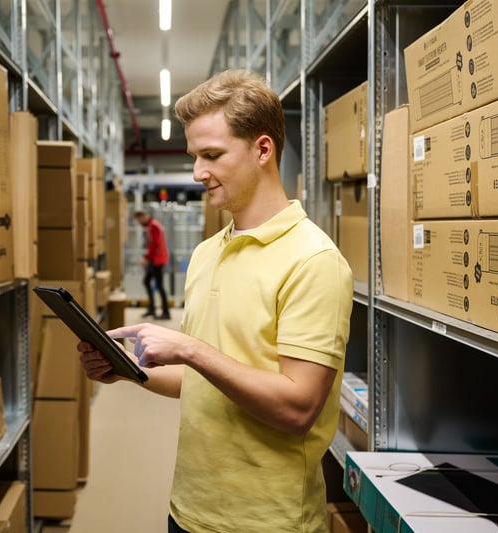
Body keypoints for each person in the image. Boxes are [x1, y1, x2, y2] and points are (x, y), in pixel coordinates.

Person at [78, 69, 353, 533]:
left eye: (211, 155)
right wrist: (128, 370)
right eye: (194, 156)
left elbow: (298, 409)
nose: (197, 172)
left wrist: (190, 347)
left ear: (263, 150)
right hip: (188, 511)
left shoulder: (314, 260)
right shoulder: (208, 252)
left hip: (269, 522)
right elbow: (200, 379)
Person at [134, 209, 171, 320]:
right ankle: (152, 308)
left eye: (138, 220)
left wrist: (146, 258)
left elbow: (154, 244)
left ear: (143, 216)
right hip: (155, 259)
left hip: (157, 260)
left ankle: (166, 312)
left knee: (159, 286)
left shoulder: (153, 226)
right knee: (146, 281)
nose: (139, 223)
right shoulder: (152, 225)